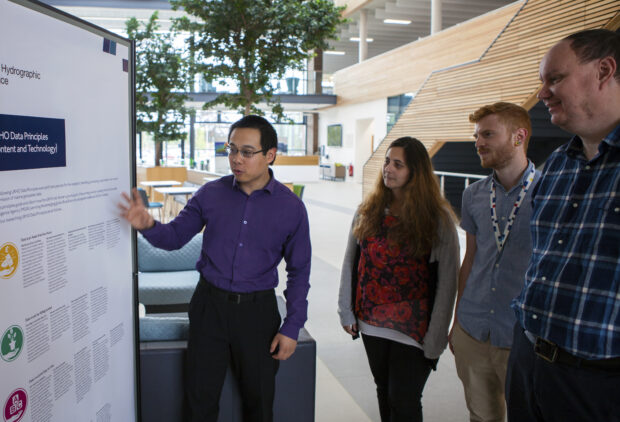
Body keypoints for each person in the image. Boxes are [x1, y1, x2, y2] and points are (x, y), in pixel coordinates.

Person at [119, 115, 311, 422]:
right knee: (199, 401)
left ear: (270, 155)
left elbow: (299, 271)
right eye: (231, 149)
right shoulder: (211, 194)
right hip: (209, 308)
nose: (235, 159)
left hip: (258, 314)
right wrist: (148, 224)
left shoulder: (291, 208)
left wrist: (292, 326)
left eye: (247, 152)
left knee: (259, 404)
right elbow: (175, 237)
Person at [506, 29, 620, 421]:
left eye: (555, 79)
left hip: (596, 383)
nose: (542, 92)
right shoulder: (555, 164)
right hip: (527, 361)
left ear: (604, 70)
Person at [338, 137, 459, 422]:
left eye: (398, 164)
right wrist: (346, 309)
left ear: (415, 172)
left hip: (415, 330)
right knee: (384, 392)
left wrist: (437, 337)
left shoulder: (437, 219)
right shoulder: (368, 210)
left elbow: (447, 281)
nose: (388, 169)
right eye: (387, 162)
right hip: (371, 323)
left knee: (403, 400)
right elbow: (351, 262)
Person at [448, 102, 540, 422]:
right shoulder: (473, 195)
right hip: (472, 329)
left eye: (488, 134)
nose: (478, 143)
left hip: (521, 337)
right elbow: (470, 258)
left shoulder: (547, 193)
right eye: (476, 136)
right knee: (481, 416)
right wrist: (457, 321)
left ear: (518, 137)